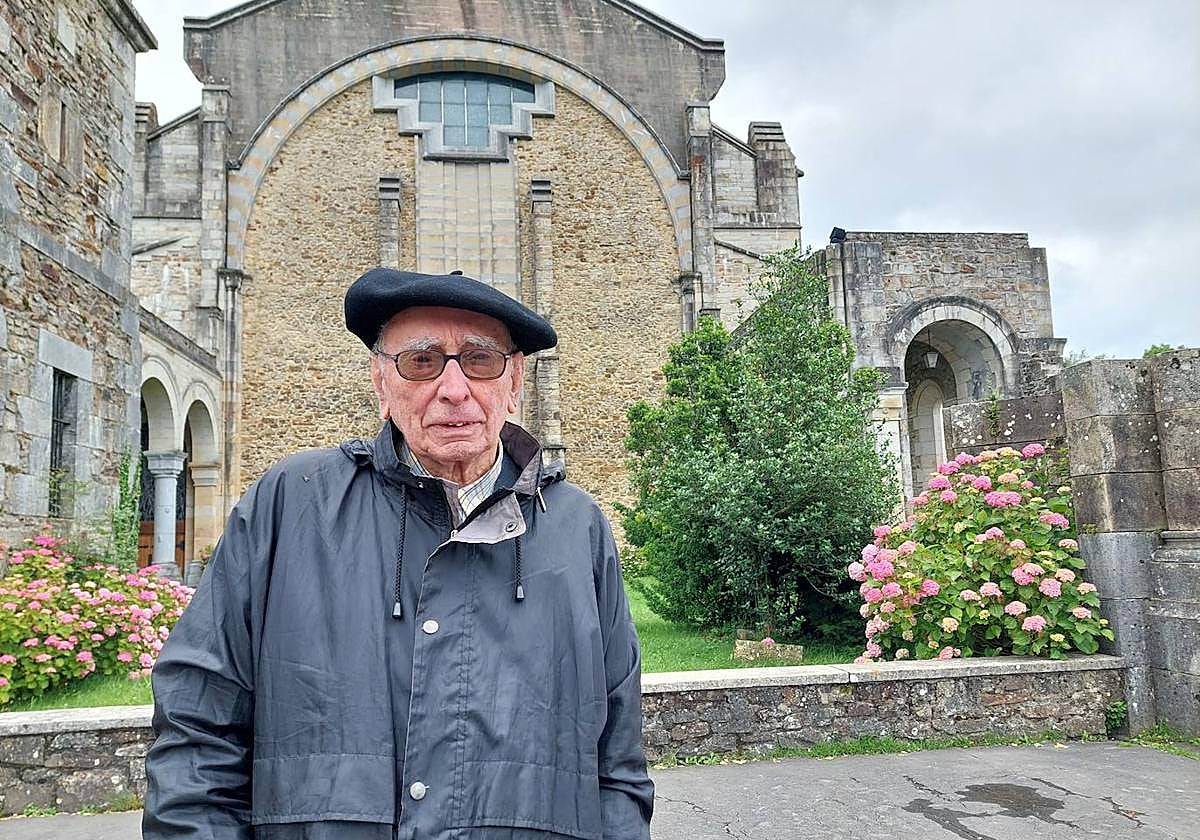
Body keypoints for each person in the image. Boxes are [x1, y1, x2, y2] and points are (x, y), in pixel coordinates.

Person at [143, 268, 654, 840]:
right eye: (422, 361)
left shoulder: (575, 528)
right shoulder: (291, 505)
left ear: (513, 384)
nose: (454, 389)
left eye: (480, 360)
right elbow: (197, 736)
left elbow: (618, 769)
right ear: (382, 383)